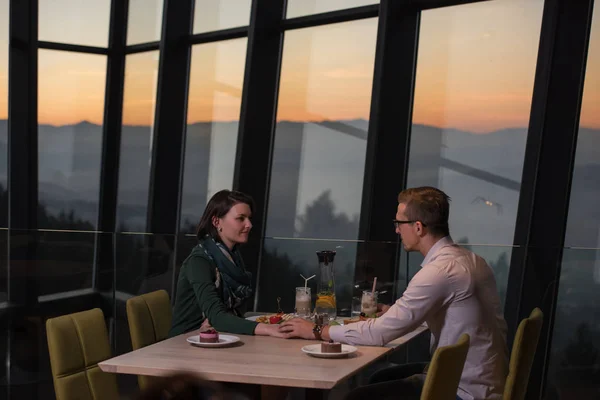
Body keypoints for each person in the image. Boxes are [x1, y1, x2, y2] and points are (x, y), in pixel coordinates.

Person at [279, 186, 509, 400]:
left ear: (418, 227)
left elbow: (380, 334)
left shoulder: (439, 272)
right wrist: (394, 312)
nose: (396, 229)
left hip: (462, 389)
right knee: (380, 378)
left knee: (356, 397)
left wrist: (317, 330)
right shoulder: (472, 260)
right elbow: (457, 315)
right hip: (483, 379)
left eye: (400, 223)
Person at [170, 189, 283, 339]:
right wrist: (269, 329)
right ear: (217, 222)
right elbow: (218, 317)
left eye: (249, 218)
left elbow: (222, 317)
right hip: (184, 343)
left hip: (217, 338)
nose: (249, 224)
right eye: (240, 218)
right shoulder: (199, 261)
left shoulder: (233, 257)